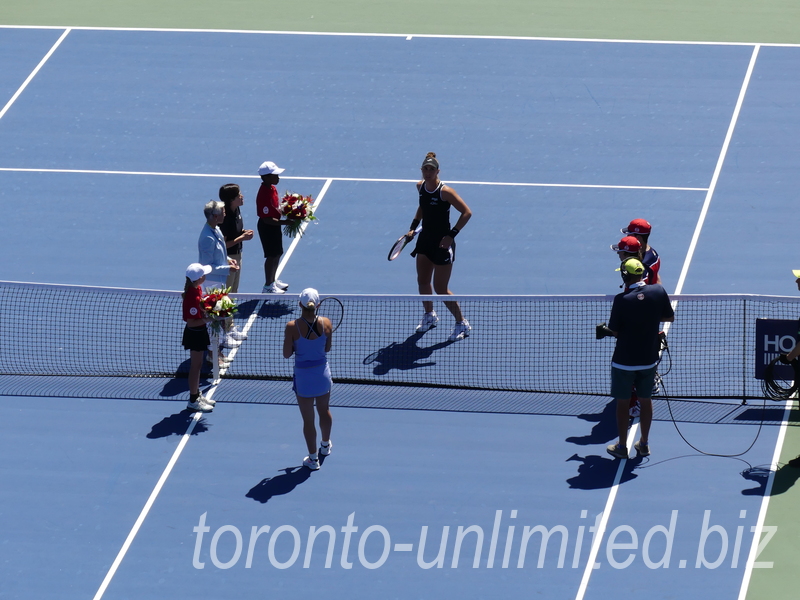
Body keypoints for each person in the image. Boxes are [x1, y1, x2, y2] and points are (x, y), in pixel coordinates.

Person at [602, 258, 674, 459]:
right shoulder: (658, 292)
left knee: (623, 403)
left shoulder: (621, 300)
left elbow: (615, 331)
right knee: (646, 399)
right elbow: (669, 317)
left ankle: (622, 447)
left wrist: (604, 330)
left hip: (624, 362)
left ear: (624, 275)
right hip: (649, 359)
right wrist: (647, 319)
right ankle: (644, 444)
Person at [406, 152, 473, 342]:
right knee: (423, 281)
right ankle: (429, 315)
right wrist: (412, 228)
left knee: (441, 288)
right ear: (421, 170)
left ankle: (462, 323)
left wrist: (451, 236)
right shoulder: (420, 187)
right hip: (424, 241)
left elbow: (467, 213)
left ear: (437, 171)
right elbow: (422, 207)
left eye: (431, 169)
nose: (428, 173)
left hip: (442, 244)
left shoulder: (445, 192)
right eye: (425, 169)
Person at [282, 288, 333, 470]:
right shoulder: (327, 323)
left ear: (299, 305)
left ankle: (313, 459)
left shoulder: (291, 327)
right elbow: (327, 349)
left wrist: (298, 346)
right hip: (322, 376)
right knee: (324, 410)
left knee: (308, 420)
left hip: (304, 378)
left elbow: (287, 354)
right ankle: (325, 446)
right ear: (317, 305)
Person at [198, 200, 241, 349]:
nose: (225, 213)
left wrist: (229, 261)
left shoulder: (216, 229)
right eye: (222, 212)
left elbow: (221, 253)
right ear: (215, 216)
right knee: (215, 314)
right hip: (211, 282)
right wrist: (228, 269)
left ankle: (224, 336)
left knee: (222, 310)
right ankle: (218, 340)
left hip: (219, 280)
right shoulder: (207, 238)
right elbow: (207, 267)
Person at [182, 263, 215, 413]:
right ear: (199, 278)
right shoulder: (192, 296)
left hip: (199, 331)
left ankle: (196, 394)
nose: (206, 276)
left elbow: (199, 311)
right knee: (195, 367)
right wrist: (210, 319)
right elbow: (191, 321)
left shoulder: (197, 289)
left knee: (199, 365)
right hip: (195, 333)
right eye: (203, 274)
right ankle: (193, 400)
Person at [256, 161, 290, 294]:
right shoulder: (264, 193)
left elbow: (276, 208)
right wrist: (287, 223)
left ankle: (273, 281)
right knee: (271, 256)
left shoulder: (272, 188)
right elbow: (268, 220)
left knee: (278, 253)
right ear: (266, 177)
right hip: (268, 227)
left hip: (274, 225)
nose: (278, 177)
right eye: (275, 175)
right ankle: (268, 286)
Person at [218, 183, 254, 294]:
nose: (242, 196)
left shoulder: (236, 210)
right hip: (228, 258)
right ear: (232, 199)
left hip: (238, 255)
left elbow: (234, 231)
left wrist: (243, 232)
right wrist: (242, 238)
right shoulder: (224, 218)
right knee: (227, 290)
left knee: (234, 289)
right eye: (239, 195)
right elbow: (223, 245)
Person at [622, 218, 661, 284]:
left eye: (629, 234)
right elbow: (656, 278)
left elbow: (637, 290)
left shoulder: (640, 267)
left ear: (638, 238)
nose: (627, 237)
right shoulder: (653, 253)